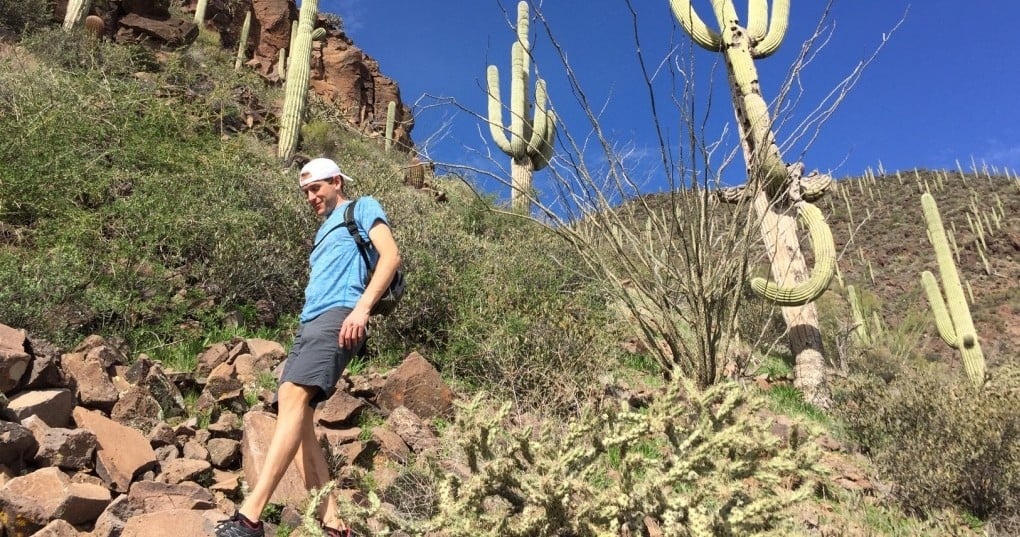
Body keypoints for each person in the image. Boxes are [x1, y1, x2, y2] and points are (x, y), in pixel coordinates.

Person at [215, 158, 401, 537]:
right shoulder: (321, 233)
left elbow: (391, 256)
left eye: (316, 188)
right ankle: (334, 525)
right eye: (306, 192)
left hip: (341, 314)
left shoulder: (361, 207)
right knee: (293, 410)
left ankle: (250, 517)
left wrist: (362, 310)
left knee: (296, 399)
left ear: (336, 181)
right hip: (310, 323)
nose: (311, 197)